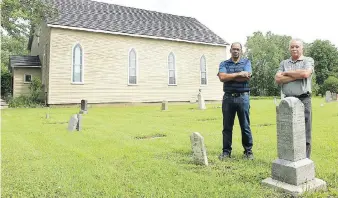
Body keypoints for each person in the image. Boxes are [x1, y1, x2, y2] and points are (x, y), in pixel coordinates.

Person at [275, 38, 314, 159]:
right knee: (287, 132)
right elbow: (277, 79)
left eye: (297, 46)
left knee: (305, 132)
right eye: (292, 47)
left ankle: (305, 160)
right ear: (289, 49)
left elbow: (305, 74)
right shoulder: (284, 63)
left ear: (302, 48)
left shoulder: (308, 60)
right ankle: (289, 158)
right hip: (287, 100)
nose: (294, 49)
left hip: (304, 100)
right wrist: (297, 75)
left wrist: (286, 74)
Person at [217, 42, 254, 160]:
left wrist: (230, 76)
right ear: (230, 50)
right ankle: (226, 152)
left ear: (241, 51)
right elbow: (222, 77)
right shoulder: (224, 63)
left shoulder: (246, 62)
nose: (236, 51)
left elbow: (247, 76)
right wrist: (239, 74)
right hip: (228, 98)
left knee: (245, 126)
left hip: (243, 97)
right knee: (227, 126)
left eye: (238, 49)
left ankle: (248, 152)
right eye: (233, 49)